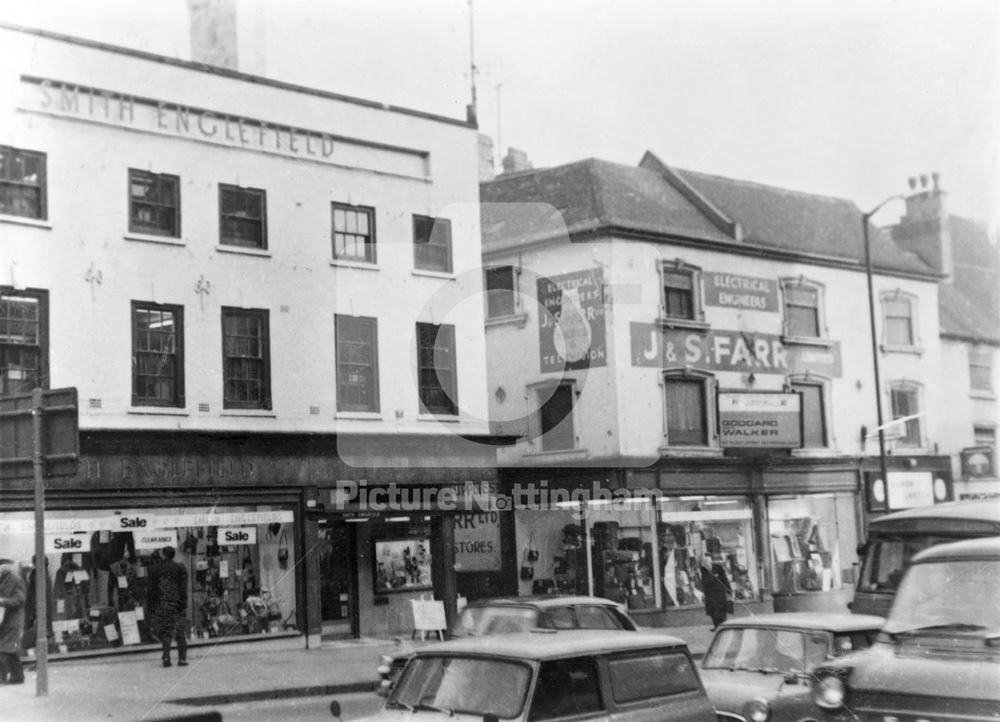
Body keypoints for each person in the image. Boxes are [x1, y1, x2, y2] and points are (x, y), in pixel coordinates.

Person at [147, 546, 188, 668]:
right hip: (177, 605)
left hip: (163, 604)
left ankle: (166, 657)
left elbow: (151, 590)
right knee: (180, 633)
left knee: (166, 633)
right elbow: (183, 588)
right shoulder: (180, 568)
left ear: (163, 555)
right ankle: (181, 659)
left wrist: (151, 607)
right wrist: (183, 603)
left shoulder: (155, 569)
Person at [0, 558, 27, 684]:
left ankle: (5, 677)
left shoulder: (15, 580)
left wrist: (2, 601)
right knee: (9, 650)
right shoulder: (3, 579)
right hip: (3, 619)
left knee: (6, 650)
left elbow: (19, 600)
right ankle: (17, 677)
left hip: (12, 620)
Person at [702, 554, 732, 631]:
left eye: (707, 562)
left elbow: (725, 579)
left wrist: (729, 590)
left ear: (710, 562)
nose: (706, 564)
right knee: (712, 612)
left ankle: (722, 627)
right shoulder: (703, 571)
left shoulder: (718, 568)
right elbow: (703, 583)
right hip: (709, 596)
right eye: (704, 562)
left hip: (719, 595)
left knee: (720, 612)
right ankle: (716, 626)